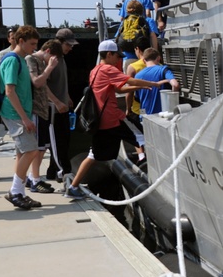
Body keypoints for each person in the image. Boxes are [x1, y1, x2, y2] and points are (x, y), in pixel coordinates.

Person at [64, 40, 169, 200]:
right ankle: (162, 178)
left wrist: (139, 87)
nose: (119, 59)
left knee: (93, 154)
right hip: (114, 119)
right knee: (144, 137)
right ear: (109, 54)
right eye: (117, 56)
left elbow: (119, 88)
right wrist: (153, 84)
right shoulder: (107, 69)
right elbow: (129, 80)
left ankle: (73, 186)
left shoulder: (95, 70)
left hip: (101, 122)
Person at [0, 25, 44, 210]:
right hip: (15, 114)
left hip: (20, 113)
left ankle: (21, 193)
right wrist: (25, 118)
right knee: (31, 150)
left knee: (22, 152)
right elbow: (10, 91)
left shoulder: (21, 60)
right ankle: (15, 191)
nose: (34, 47)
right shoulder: (12, 61)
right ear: (20, 41)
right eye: (32, 44)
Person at [24, 38, 63, 195]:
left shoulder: (40, 62)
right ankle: (35, 180)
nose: (53, 62)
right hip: (35, 110)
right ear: (48, 52)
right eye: (53, 58)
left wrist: (56, 101)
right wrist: (50, 68)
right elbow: (37, 83)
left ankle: (32, 177)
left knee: (42, 147)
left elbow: (44, 87)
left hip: (42, 109)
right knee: (38, 148)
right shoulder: (31, 59)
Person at [45, 28, 77, 181]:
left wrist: (67, 96)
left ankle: (53, 171)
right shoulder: (51, 59)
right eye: (68, 45)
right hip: (53, 110)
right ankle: (63, 172)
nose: (71, 48)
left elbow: (60, 82)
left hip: (63, 107)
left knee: (65, 141)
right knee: (57, 143)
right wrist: (56, 102)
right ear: (60, 42)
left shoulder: (62, 59)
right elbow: (43, 85)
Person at [133, 48, 180, 116]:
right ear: (158, 58)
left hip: (145, 115)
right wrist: (172, 106)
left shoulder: (137, 76)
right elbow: (175, 85)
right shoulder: (163, 70)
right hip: (162, 115)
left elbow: (138, 98)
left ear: (143, 60)